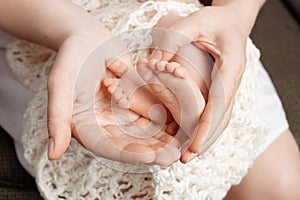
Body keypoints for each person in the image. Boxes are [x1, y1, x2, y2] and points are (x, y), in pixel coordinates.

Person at [0, 0, 299, 199]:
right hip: (44, 21)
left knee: (282, 186)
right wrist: (74, 29)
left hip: (191, 22)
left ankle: (187, 80)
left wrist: (235, 14)